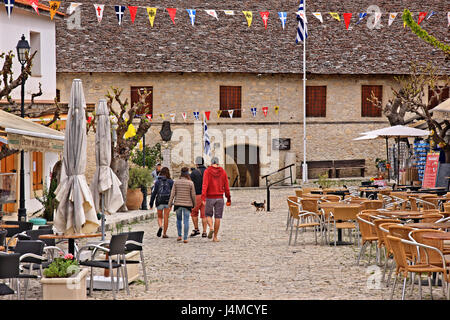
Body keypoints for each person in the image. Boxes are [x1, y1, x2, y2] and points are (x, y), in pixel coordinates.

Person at [201, 157, 231, 242]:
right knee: (218, 217)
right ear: (218, 163)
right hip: (220, 197)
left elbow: (205, 185)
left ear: (211, 163)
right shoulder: (223, 171)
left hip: (210, 197)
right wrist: (228, 198)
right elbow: (227, 186)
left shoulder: (207, 171)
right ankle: (215, 237)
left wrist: (203, 197)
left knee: (208, 215)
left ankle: (210, 227)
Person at [168, 167, 196, 243]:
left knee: (179, 220)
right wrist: (194, 204)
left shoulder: (176, 182)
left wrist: (170, 204)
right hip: (187, 204)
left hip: (178, 204)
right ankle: (185, 237)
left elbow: (172, 194)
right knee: (186, 221)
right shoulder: (190, 183)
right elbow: (193, 195)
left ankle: (179, 235)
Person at [150, 167, 173, 238]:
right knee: (166, 217)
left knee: (160, 216)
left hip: (159, 201)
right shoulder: (171, 181)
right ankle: (164, 233)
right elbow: (173, 192)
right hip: (168, 201)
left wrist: (151, 203)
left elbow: (154, 193)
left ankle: (160, 226)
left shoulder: (157, 182)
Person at [190, 157, 208, 238]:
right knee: (204, 215)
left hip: (197, 195)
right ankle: (204, 231)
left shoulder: (194, 173)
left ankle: (196, 229)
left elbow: (191, 184)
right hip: (206, 196)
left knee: (194, 213)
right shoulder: (208, 171)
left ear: (196, 163)